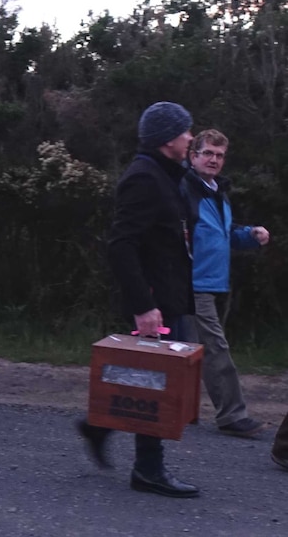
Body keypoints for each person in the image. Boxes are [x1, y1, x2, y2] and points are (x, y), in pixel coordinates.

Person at [77, 101, 200, 498]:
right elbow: (121, 245)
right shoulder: (144, 177)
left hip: (168, 295)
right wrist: (143, 306)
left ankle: (98, 426)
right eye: (186, 131)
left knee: (150, 378)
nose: (191, 137)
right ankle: (148, 469)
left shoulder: (166, 174)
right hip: (153, 302)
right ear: (167, 139)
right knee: (156, 381)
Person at [182, 129, 269, 438]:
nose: (214, 160)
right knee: (214, 348)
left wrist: (250, 235)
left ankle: (166, 411)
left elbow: (223, 233)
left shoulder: (216, 191)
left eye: (219, 155)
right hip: (190, 284)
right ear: (193, 156)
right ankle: (232, 415)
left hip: (209, 282)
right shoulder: (185, 190)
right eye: (207, 153)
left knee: (186, 351)